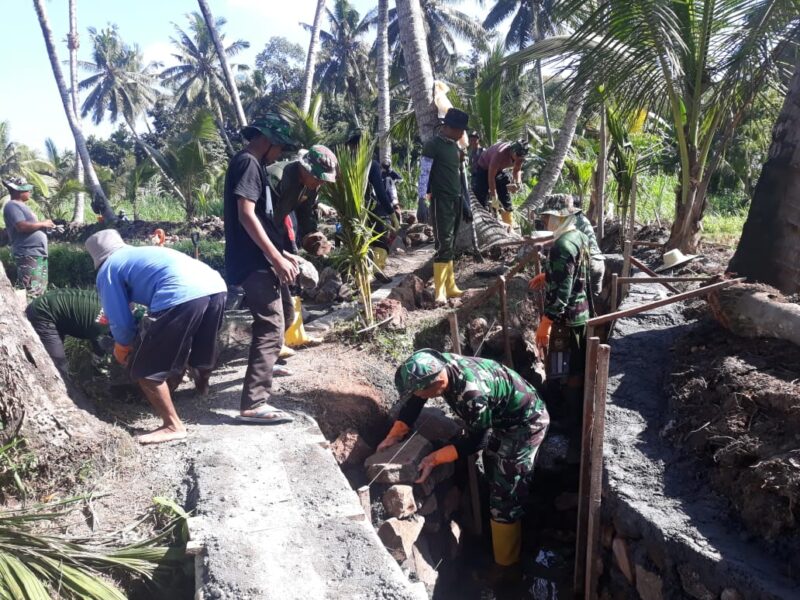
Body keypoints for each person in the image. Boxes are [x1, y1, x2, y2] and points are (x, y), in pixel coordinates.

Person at [378, 349, 549, 567]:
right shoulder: (437, 365)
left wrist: (434, 459)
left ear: (438, 383)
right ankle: (496, 515)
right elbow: (415, 400)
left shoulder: (472, 395)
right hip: (501, 417)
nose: (418, 397)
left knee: (506, 494)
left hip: (525, 423)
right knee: (492, 467)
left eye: (421, 393)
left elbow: (478, 441)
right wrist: (395, 434)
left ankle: (507, 564)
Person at [85, 229, 227, 445]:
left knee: (145, 370)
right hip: (216, 286)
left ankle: (172, 426)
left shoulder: (108, 269)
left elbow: (120, 320)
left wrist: (123, 346)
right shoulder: (138, 254)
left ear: (96, 258)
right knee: (200, 346)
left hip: (181, 293)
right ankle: (202, 389)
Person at [528, 194, 592, 448]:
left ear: (560, 217)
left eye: (548, 217)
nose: (545, 222)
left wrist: (546, 323)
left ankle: (569, 420)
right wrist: (549, 275)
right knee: (573, 366)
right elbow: (573, 273)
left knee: (566, 369)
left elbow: (563, 293)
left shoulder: (562, 246)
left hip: (567, 320)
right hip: (580, 313)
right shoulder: (578, 237)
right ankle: (571, 416)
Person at [417, 108, 470, 303]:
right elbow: (424, 174)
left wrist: (465, 203)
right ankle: (439, 291)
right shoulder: (433, 145)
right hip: (441, 201)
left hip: (456, 199)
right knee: (443, 244)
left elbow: (459, 177)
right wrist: (421, 200)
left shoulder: (456, 148)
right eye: (459, 130)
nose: (462, 133)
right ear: (447, 127)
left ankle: (450, 286)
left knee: (451, 243)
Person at [346, 130, 401, 283]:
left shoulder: (347, 165)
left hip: (351, 211)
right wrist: (391, 214)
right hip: (372, 209)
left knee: (359, 244)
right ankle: (376, 269)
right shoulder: (371, 165)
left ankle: (361, 277)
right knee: (380, 240)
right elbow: (380, 192)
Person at [26, 289, 110, 373]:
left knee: (56, 354)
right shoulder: (103, 327)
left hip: (52, 307)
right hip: (43, 313)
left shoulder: (111, 303)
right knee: (59, 363)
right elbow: (100, 348)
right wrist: (98, 364)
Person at [2, 176, 53, 298]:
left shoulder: (22, 206)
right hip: (28, 253)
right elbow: (21, 226)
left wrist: (45, 227)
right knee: (31, 290)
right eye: (26, 189)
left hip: (37, 252)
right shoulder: (12, 205)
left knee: (39, 289)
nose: (29, 191)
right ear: (17, 191)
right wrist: (43, 223)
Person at [473, 140, 529, 227]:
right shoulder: (499, 153)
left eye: (521, 158)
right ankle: (483, 220)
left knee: (504, 191)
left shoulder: (520, 157)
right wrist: (494, 196)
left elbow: (517, 170)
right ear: (513, 151)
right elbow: (491, 177)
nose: (519, 159)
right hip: (483, 168)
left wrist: (518, 183)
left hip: (498, 170)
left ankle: (509, 222)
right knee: (481, 195)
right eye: (518, 156)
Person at [566, 194, 606, 296]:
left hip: (589, 262)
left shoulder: (572, 220)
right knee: (595, 300)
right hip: (599, 262)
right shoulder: (582, 218)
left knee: (576, 299)